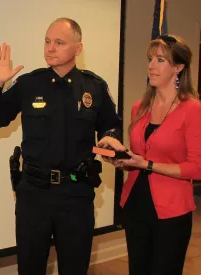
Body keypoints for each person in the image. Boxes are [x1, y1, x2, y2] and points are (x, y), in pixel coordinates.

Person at [0, 17, 122, 275]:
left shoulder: (94, 87)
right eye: (47, 41)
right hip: (34, 196)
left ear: (78, 49)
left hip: (76, 196)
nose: (50, 48)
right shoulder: (29, 84)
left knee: (74, 268)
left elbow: (112, 125)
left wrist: (111, 137)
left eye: (59, 42)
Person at [98, 34, 201, 275]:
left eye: (160, 60)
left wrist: (147, 164)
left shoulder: (193, 109)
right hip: (135, 204)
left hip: (171, 210)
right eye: (150, 59)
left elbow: (196, 168)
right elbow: (140, 158)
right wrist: (123, 159)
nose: (151, 65)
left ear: (179, 67)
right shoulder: (139, 107)